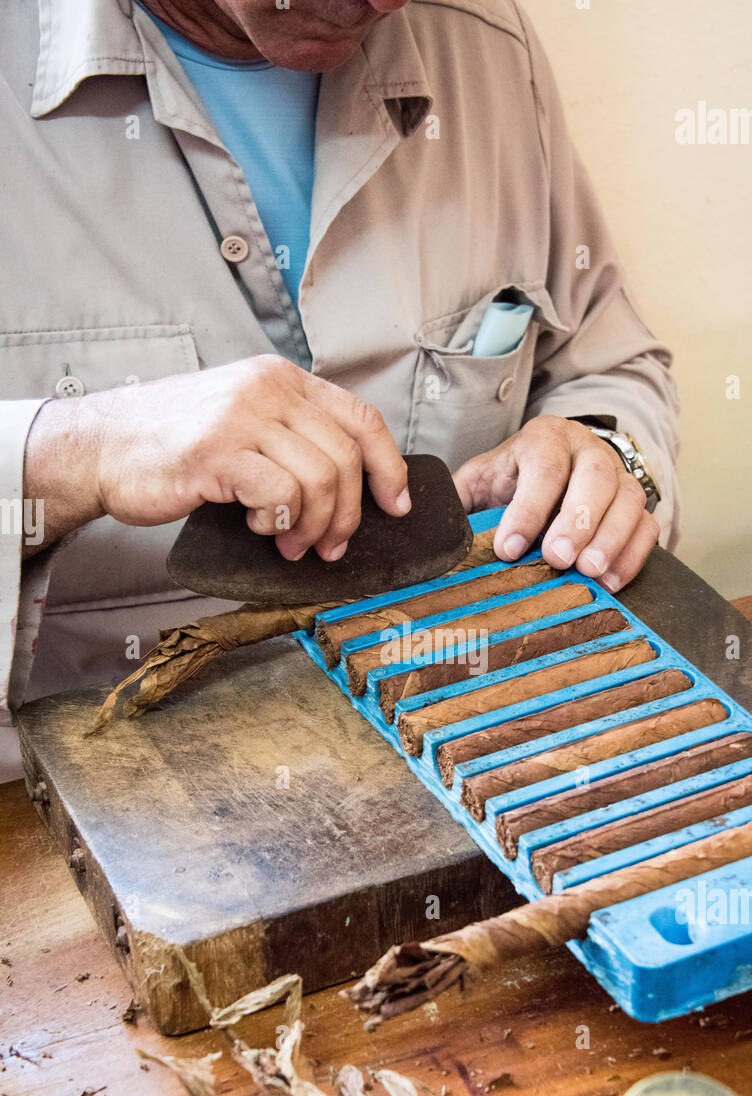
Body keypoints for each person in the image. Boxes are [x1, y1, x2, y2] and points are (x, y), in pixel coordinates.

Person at [0, 0, 679, 779]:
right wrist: (77, 451)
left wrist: (601, 448)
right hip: (86, 801)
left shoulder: (483, 40)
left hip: (487, 743)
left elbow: (606, 360)